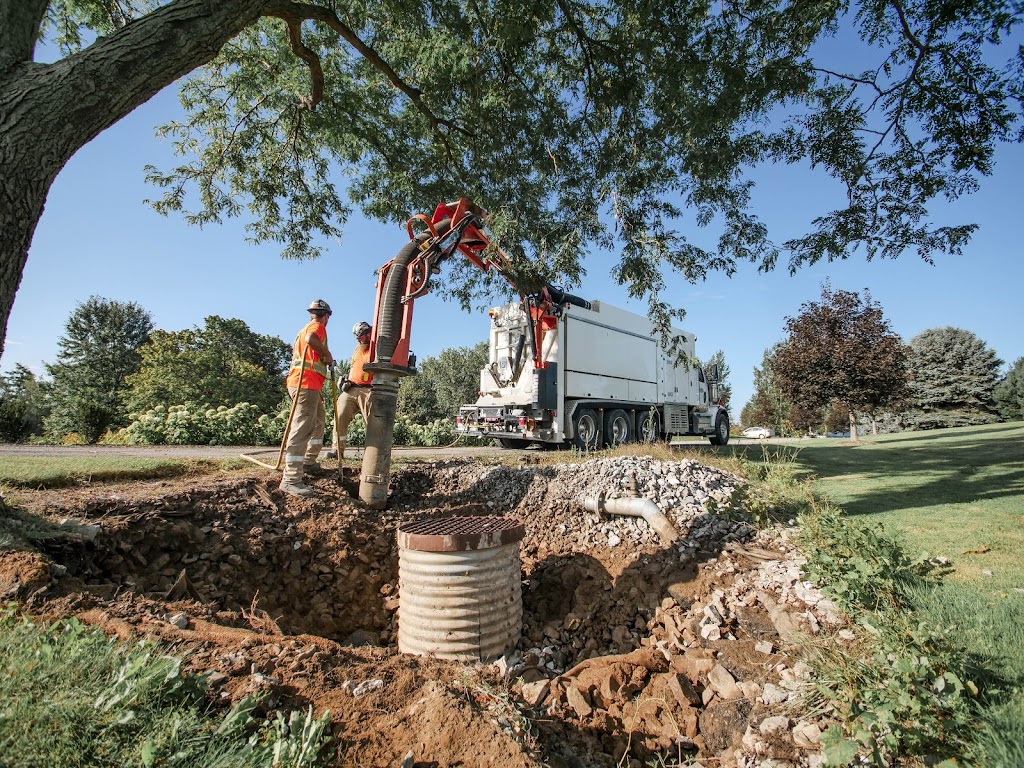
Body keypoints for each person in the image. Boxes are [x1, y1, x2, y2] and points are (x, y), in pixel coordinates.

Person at [280, 299, 334, 498]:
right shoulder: (316, 327)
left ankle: (308, 462)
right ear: (326, 315)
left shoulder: (305, 328)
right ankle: (291, 478)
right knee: (302, 426)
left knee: (318, 421)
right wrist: (327, 354)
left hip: (309, 384)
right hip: (305, 383)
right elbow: (312, 338)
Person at [334, 320, 374, 461]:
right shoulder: (358, 348)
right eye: (356, 337)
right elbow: (355, 367)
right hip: (351, 389)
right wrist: (346, 379)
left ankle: (372, 455)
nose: (358, 339)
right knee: (340, 416)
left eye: (360, 336)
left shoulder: (376, 347)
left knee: (372, 422)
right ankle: (337, 451)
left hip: (368, 390)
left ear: (369, 334)